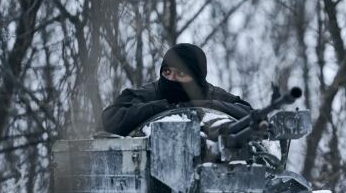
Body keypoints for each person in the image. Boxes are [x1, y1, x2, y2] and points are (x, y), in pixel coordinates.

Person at [102, 43, 251, 136]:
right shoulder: (150, 93)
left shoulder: (212, 94)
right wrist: (161, 107)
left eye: (180, 74)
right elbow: (109, 118)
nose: (171, 79)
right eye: (167, 72)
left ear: (196, 77)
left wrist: (208, 106)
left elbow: (250, 115)